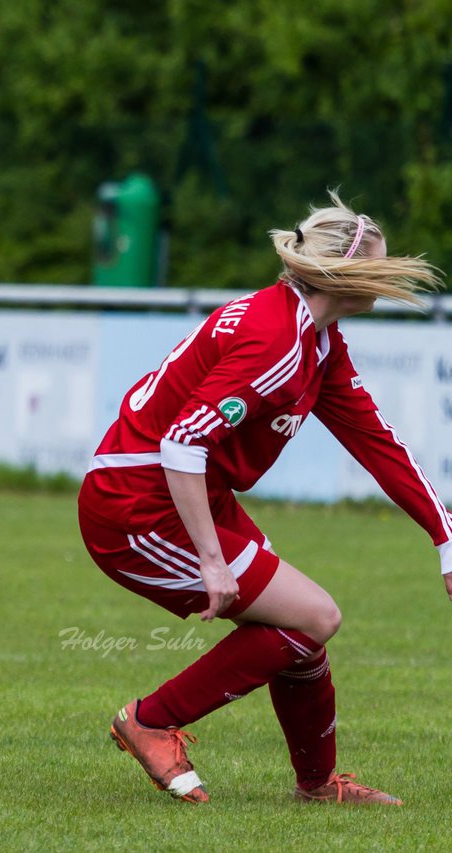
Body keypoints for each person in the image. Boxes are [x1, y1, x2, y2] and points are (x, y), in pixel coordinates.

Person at [78, 190, 451, 805]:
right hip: (136, 506)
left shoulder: (317, 340)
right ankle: (150, 719)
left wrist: (445, 535)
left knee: (300, 626)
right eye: (379, 270)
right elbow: (180, 445)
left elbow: (378, 442)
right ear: (348, 277)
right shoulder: (276, 340)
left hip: (187, 493)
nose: (388, 283)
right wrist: (211, 559)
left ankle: (318, 787)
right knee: (314, 616)